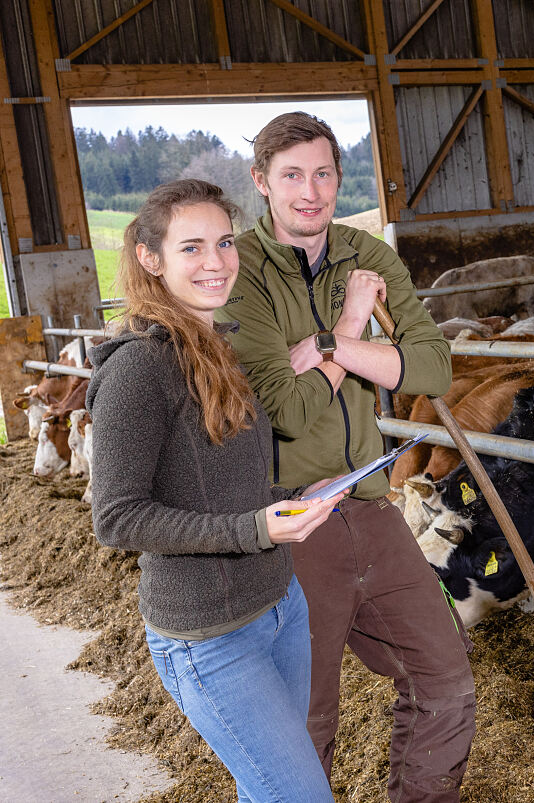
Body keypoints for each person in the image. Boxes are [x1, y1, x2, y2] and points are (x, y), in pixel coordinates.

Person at [215, 112, 475, 802]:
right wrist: (356, 323)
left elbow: (433, 368)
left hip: (368, 501)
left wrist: (336, 348)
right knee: (305, 718)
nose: (311, 191)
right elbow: (288, 412)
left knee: (445, 678)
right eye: (292, 175)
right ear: (261, 183)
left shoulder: (367, 254)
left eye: (324, 173)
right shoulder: (236, 272)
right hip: (287, 519)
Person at [86, 179, 343, 802]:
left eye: (224, 242)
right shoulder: (137, 368)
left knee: (268, 790)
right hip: (209, 637)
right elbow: (116, 517)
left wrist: (295, 493)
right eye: (192, 247)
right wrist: (257, 528)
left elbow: (228, 481)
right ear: (152, 259)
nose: (216, 261)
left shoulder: (216, 347)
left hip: (280, 606)